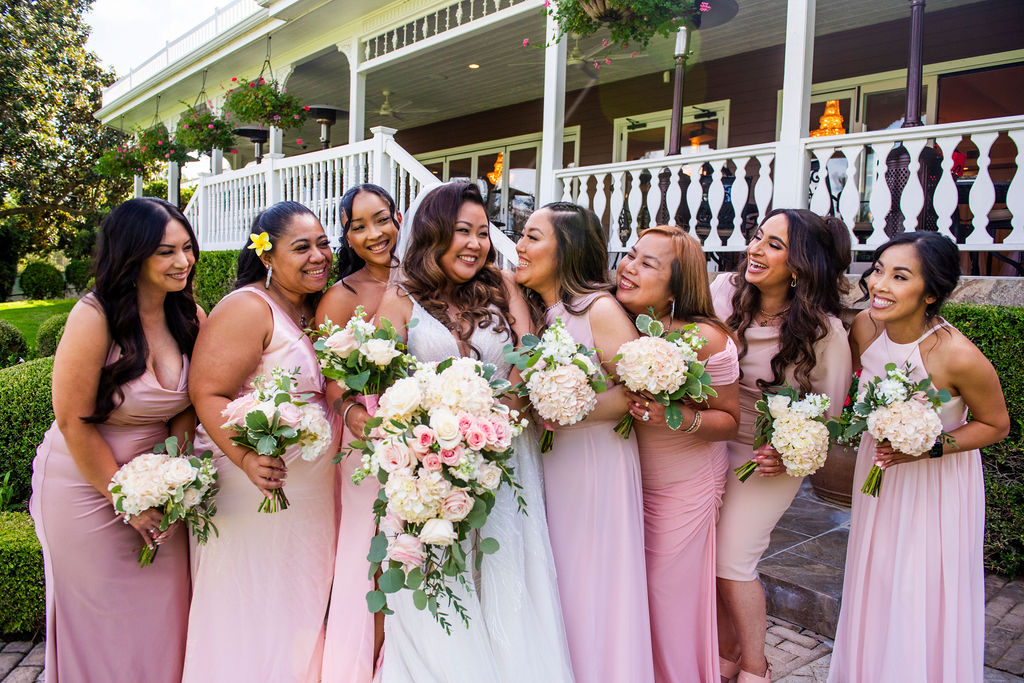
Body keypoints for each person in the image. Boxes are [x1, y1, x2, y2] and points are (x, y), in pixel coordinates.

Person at [372, 181, 574, 682]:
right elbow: (378, 385)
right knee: (443, 566)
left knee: (504, 567)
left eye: (483, 232)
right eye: (463, 231)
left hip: (506, 452)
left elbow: (529, 351)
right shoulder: (399, 298)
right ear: (433, 233)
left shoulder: (501, 285)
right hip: (432, 461)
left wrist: (497, 412)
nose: (476, 243)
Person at [30, 198, 201, 682]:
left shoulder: (189, 315)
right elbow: (72, 420)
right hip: (85, 486)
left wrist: (176, 479)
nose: (184, 261)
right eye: (166, 252)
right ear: (133, 255)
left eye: (187, 248)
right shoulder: (94, 316)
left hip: (160, 490)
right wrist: (124, 497)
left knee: (165, 615)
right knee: (103, 624)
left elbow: (187, 405)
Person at [828, 232, 1008, 683]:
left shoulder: (958, 355)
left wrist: (931, 446)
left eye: (900, 276)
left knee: (917, 586)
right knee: (878, 576)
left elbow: (995, 425)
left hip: (936, 482)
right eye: (878, 270)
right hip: (880, 471)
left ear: (931, 293)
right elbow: (855, 386)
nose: (879, 284)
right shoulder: (865, 327)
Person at [183, 201, 336, 682]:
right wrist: (248, 459)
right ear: (267, 256)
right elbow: (207, 392)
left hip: (311, 495)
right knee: (254, 601)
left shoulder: (312, 306)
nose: (319, 256)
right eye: (302, 247)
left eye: (323, 244)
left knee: (300, 604)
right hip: (256, 489)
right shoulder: (248, 307)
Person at [515, 202, 654, 683]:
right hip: (554, 465)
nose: (520, 246)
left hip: (596, 465)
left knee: (593, 581)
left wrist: (558, 408)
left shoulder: (599, 308)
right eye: (522, 235)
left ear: (567, 249)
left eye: (533, 237)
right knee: (560, 579)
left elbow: (637, 393)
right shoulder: (539, 313)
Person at [712, 209, 852, 683]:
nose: (755, 249)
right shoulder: (723, 291)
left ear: (799, 266)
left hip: (767, 459)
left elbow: (826, 419)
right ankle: (725, 652)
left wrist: (788, 453)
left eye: (774, 245)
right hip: (709, 438)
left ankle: (757, 666)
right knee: (706, 555)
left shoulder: (824, 332)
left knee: (733, 559)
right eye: (757, 237)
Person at [616, 225, 741, 683]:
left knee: (667, 598)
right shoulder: (617, 320)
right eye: (630, 255)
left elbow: (730, 420)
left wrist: (672, 416)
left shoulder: (704, 337)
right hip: (626, 482)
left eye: (647, 263)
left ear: (677, 286)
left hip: (684, 487)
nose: (628, 267)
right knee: (630, 598)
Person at [317, 183, 401, 682]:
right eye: (359, 226)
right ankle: (359, 666)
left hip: (421, 437)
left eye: (382, 219)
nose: (375, 233)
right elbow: (329, 377)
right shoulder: (340, 296)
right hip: (365, 443)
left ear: (398, 218)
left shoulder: (423, 277)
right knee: (369, 553)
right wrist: (350, 411)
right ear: (347, 236)